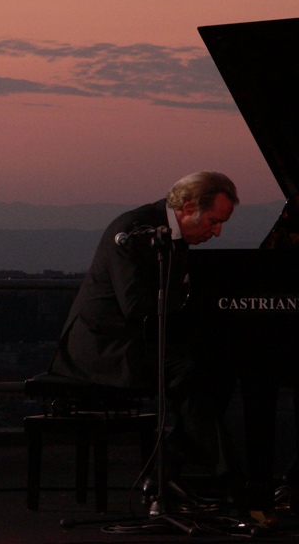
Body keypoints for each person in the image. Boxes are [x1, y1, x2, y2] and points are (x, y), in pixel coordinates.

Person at [48, 171, 242, 503]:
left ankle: (166, 476)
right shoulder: (134, 231)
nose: (217, 232)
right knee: (190, 371)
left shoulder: (179, 236)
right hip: (100, 345)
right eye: (213, 221)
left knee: (220, 371)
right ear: (188, 207)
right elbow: (136, 307)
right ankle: (232, 482)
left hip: (136, 340)